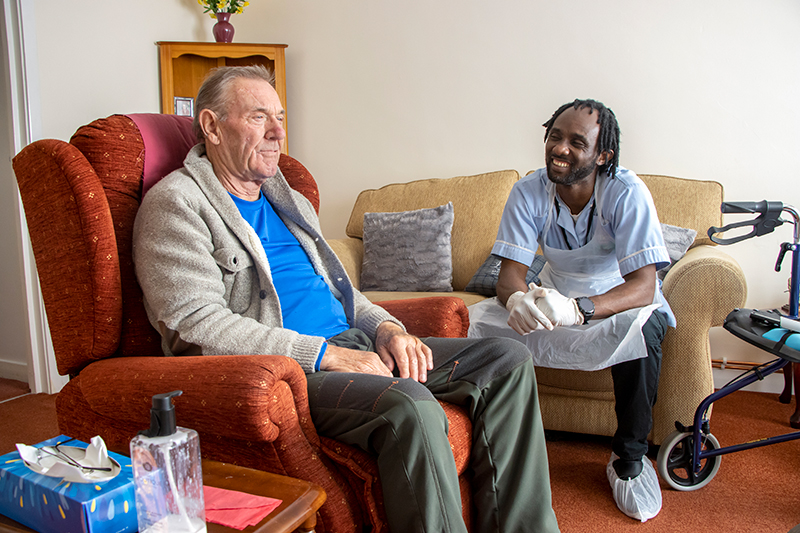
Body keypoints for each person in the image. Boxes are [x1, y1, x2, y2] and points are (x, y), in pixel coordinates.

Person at [132, 65, 560, 533]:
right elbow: (195, 325)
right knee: (409, 404)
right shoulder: (176, 204)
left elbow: (343, 292)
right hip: (296, 372)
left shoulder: (287, 198)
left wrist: (388, 329)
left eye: (279, 117)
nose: (278, 132)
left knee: (507, 359)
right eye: (259, 117)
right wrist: (323, 354)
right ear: (212, 126)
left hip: (353, 345)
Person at [468, 99, 673, 523]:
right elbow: (510, 276)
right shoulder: (529, 190)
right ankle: (476, 438)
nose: (560, 148)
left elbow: (643, 286)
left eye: (577, 142)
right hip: (552, 291)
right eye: (555, 136)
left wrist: (580, 310)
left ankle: (629, 457)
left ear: (603, 155)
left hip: (612, 297)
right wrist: (517, 300)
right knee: (471, 321)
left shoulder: (626, 193)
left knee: (645, 326)